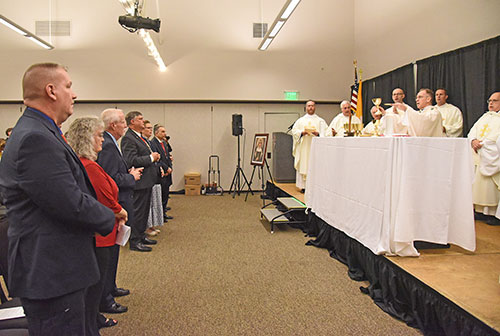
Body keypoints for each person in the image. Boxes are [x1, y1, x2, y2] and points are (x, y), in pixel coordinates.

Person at [0, 63, 115, 335]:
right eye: (68, 86)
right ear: (50, 91)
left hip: (56, 268)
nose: (73, 94)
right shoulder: (35, 138)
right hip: (51, 273)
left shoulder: (41, 130)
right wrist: (109, 217)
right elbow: (69, 202)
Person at [66, 116, 128, 334]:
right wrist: (120, 211)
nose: (103, 140)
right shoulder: (89, 166)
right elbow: (104, 199)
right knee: (95, 286)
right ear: (86, 139)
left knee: (97, 284)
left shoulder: (88, 163)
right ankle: (91, 324)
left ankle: (94, 318)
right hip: (101, 234)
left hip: (104, 230)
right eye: (99, 135)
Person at [97, 108, 142, 315]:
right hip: (114, 205)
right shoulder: (106, 145)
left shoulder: (111, 143)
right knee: (108, 254)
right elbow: (109, 179)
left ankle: (111, 287)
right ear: (113, 125)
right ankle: (106, 296)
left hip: (120, 202)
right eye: (123, 122)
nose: (126, 125)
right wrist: (131, 177)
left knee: (114, 252)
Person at [121, 111, 160, 251]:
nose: (143, 122)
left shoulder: (140, 137)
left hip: (147, 181)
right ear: (132, 122)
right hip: (139, 182)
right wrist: (151, 158)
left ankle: (141, 235)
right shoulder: (129, 139)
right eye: (140, 119)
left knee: (144, 212)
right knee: (138, 212)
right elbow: (130, 160)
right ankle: (135, 240)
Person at [467, 92, 500, 225]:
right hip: (479, 154)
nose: (491, 103)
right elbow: (472, 131)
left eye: (495, 101)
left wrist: (482, 145)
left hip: (489, 154)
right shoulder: (485, 116)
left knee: (488, 186)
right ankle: (479, 210)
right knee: (478, 184)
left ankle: (491, 213)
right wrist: (473, 140)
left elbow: (496, 137)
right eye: (489, 100)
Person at [291, 100, 328, 190]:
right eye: (309, 106)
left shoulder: (320, 121)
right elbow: (294, 131)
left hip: (316, 148)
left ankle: (315, 187)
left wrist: (318, 134)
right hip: (304, 147)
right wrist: (302, 133)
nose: (310, 107)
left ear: (315, 107)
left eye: (312, 106)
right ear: (306, 108)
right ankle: (303, 186)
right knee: (304, 164)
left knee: (315, 165)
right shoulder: (300, 121)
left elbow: (326, 133)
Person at [142, 120, 164, 235]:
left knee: (154, 202)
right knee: (148, 205)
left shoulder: (148, 143)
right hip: (146, 177)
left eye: (151, 128)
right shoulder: (141, 141)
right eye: (147, 128)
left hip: (154, 174)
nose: (150, 130)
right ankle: (147, 227)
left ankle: (152, 225)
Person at [151, 124, 173, 223]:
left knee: (166, 193)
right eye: (162, 132)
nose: (165, 133)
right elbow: (157, 159)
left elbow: (167, 156)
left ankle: (164, 212)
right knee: (161, 194)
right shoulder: (153, 143)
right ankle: (161, 215)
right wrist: (166, 167)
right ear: (156, 133)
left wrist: (170, 167)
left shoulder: (164, 143)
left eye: (165, 131)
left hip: (168, 172)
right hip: (161, 172)